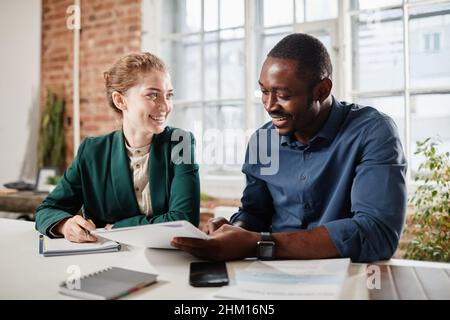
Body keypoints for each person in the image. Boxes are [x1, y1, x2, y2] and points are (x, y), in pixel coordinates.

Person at [172, 33, 407, 263]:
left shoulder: (372, 132)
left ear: (322, 90)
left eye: (283, 95)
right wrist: (235, 230)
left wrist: (258, 243)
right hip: (271, 275)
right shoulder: (263, 139)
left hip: (346, 276)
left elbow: (376, 234)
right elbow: (255, 213)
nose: (270, 105)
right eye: (264, 92)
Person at [35, 52, 200, 243]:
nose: (165, 106)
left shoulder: (181, 143)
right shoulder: (92, 151)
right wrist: (65, 225)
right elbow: (47, 210)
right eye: (153, 95)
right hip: (103, 259)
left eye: (169, 95)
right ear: (120, 101)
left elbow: (184, 221)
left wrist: (117, 228)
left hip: (164, 261)